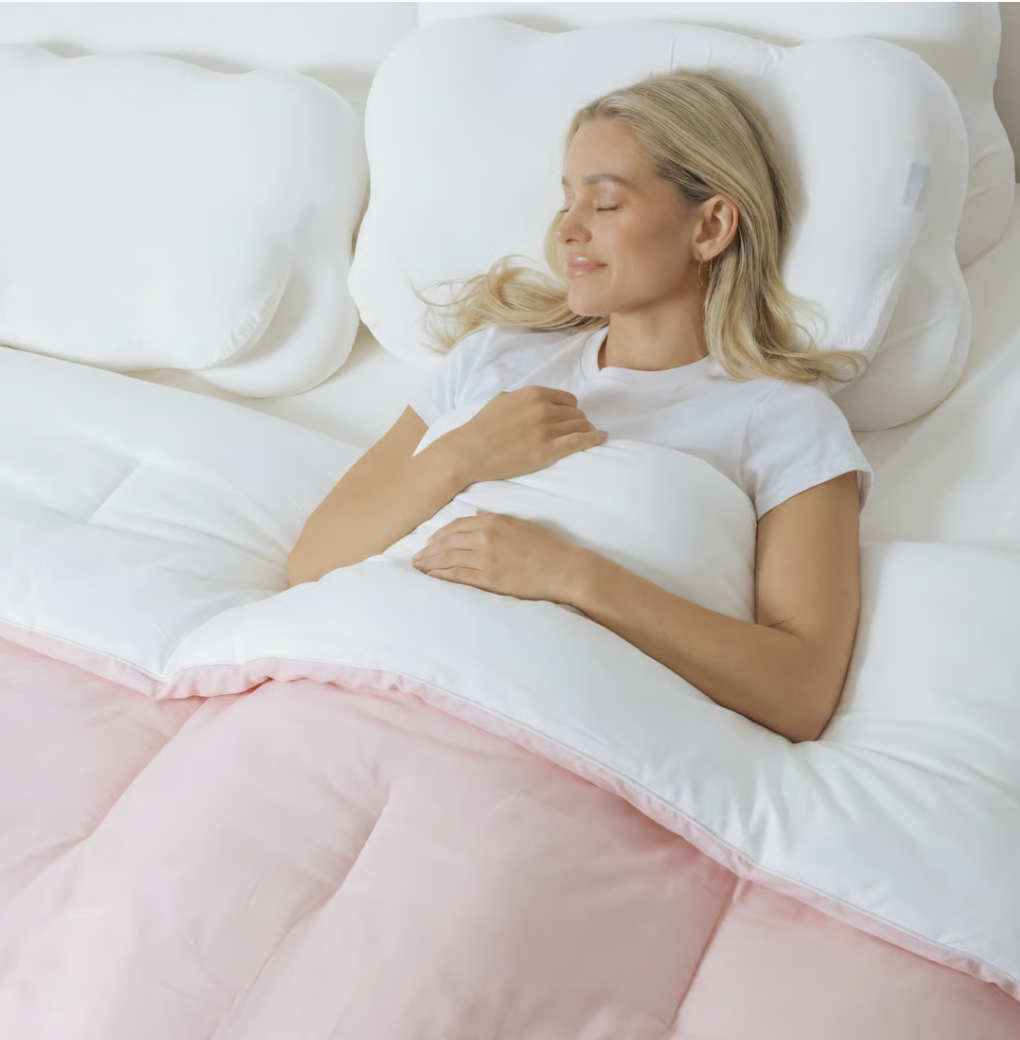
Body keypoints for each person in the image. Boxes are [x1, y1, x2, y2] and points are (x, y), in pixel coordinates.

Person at [287, 70, 872, 745]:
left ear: (710, 226)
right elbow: (314, 562)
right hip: (357, 687)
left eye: (606, 204)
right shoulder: (494, 359)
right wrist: (459, 456)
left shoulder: (784, 419)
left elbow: (799, 692)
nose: (566, 231)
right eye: (566, 201)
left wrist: (568, 575)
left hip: (543, 738)